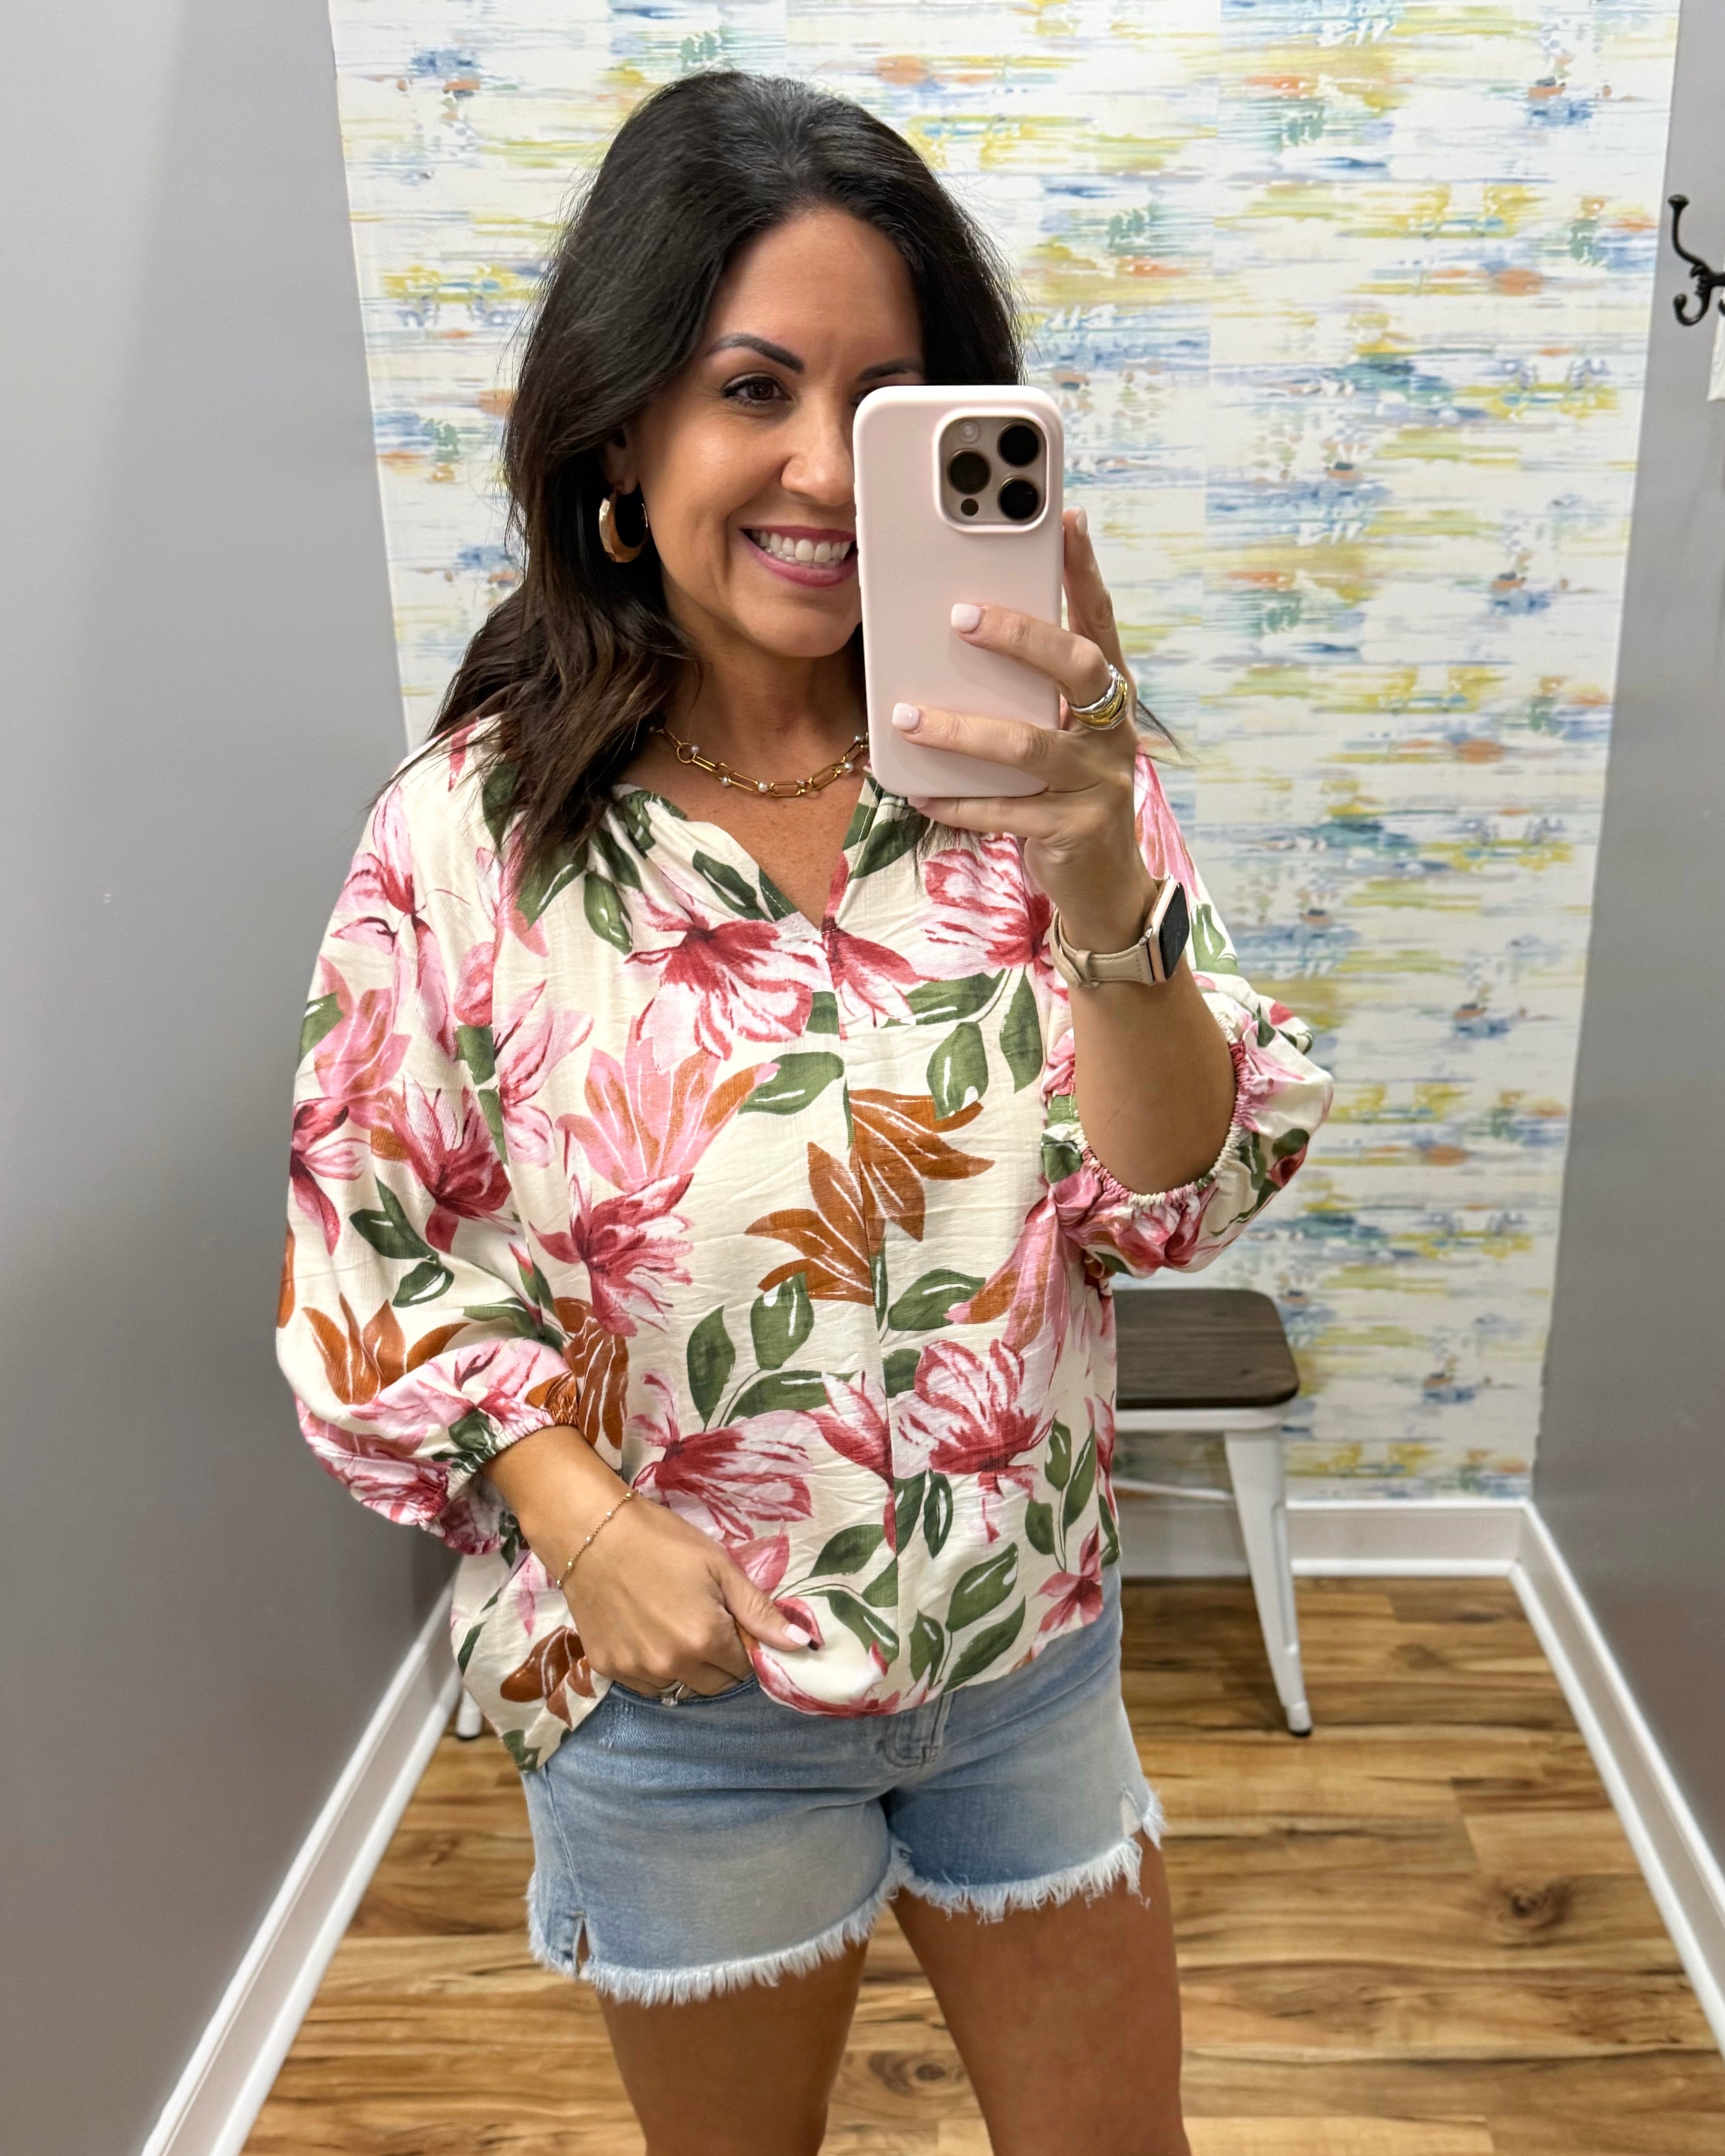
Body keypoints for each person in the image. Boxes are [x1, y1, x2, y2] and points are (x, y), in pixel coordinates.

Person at [277, 70, 1332, 2156]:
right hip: (688, 1708)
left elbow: (1173, 1196)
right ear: (622, 432)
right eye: (752, 388)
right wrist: (582, 1524)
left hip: (1025, 1654)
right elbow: (369, 1255)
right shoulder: (469, 843)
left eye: (889, 406)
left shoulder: (1040, 786)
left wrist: (1098, 872)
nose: (827, 474)